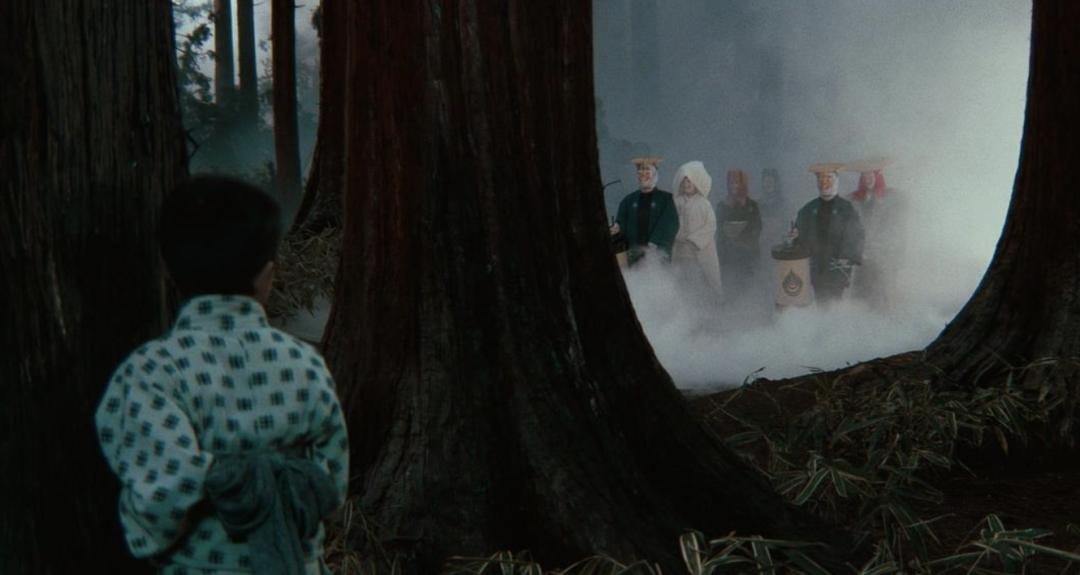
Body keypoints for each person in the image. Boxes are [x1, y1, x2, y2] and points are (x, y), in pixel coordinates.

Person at [94, 176, 349, 574]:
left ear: (168, 271)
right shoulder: (305, 363)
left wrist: (217, 488)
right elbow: (331, 489)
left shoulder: (151, 371)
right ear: (268, 276)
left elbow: (159, 503)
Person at [790, 164, 865, 305]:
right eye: (820, 178)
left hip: (838, 268)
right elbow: (799, 237)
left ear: (836, 180)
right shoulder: (808, 209)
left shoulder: (847, 209)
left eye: (829, 178)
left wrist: (847, 257)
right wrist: (794, 238)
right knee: (820, 302)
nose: (824, 182)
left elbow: (856, 235)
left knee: (836, 304)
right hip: (816, 267)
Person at [846, 159, 905, 308]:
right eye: (865, 176)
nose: (868, 179)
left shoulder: (891, 198)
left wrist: (880, 247)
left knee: (883, 293)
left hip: (883, 255)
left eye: (871, 175)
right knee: (861, 294)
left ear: (878, 176)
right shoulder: (855, 200)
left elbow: (895, 228)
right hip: (862, 256)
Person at [613, 157, 680, 265]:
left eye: (647, 172)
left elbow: (670, 224)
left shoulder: (667, 199)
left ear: (655, 175)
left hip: (656, 256)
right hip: (633, 255)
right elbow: (621, 223)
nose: (643, 175)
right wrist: (617, 228)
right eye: (640, 172)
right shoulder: (628, 200)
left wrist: (654, 243)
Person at [671, 161, 722, 299]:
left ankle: (709, 304)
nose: (687, 184)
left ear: (697, 182)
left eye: (690, 181)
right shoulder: (677, 202)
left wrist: (694, 240)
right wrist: (677, 235)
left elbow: (711, 225)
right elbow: (671, 222)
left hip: (700, 250)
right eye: (684, 181)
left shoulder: (704, 203)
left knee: (704, 281)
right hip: (681, 250)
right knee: (682, 282)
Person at [716, 169, 762, 302]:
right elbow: (718, 230)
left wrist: (742, 238)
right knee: (730, 291)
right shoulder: (722, 206)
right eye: (731, 183)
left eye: (736, 182)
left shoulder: (752, 206)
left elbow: (757, 228)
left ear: (743, 184)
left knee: (749, 290)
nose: (733, 186)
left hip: (748, 257)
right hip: (728, 258)